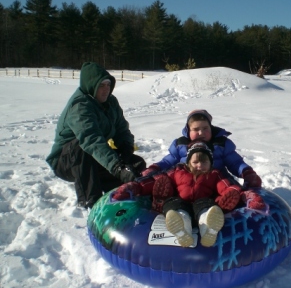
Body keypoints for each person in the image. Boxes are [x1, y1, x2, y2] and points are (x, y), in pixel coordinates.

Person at [115, 142, 265, 247]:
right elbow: (154, 180)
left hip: (202, 202)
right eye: (195, 162)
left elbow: (227, 187)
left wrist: (240, 194)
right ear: (188, 162)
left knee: (207, 206)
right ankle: (181, 228)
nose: (200, 165)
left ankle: (209, 228)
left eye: (204, 161)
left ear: (210, 162)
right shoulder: (177, 171)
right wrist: (136, 187)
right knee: (175, 205)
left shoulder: (214, 174)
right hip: (180, 201)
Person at [46, 62, 146, 209]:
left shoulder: (111, 102)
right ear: (91, 85)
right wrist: (117, 167)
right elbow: (91, 141)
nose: (106, 90)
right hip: (66, 161)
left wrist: (125, 152)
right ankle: (91, 201)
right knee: (81, 148)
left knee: (136, 164)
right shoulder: (80, 107)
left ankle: (126, 194)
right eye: (101, 86)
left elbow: (122, 130)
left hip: (93, 158)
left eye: (108, 85)